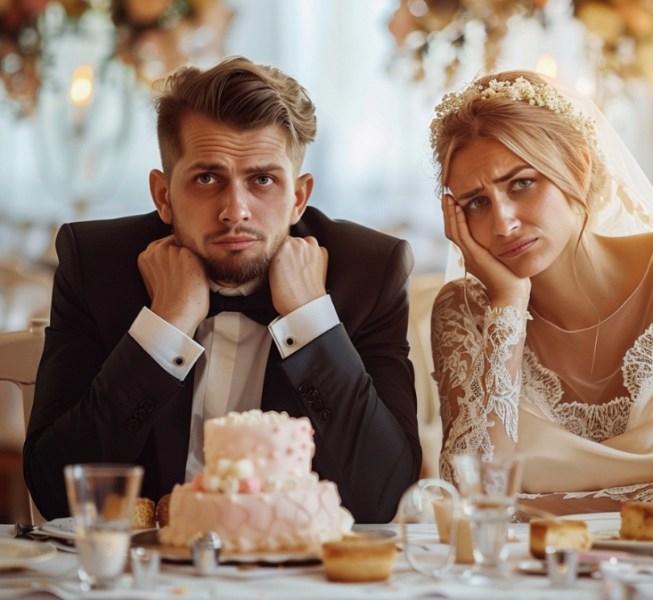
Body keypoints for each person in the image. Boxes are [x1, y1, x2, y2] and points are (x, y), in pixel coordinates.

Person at [23, 56, 421, 523]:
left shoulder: (368, 274)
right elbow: (55, 490)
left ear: (299, 197)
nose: (236, 210)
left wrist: (312, 321)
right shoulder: (97, 266)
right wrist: (164, 327)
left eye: (263, 180)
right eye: (208, 178)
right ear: (163, 195)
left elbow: (385, 495)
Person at [429, 70, 653, 521]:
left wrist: (530, 512)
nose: (503, 223)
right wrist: (507, 305)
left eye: (521, 183)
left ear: (578, 165)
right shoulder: (462, 313)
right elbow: (470, 504)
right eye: (476, 202)